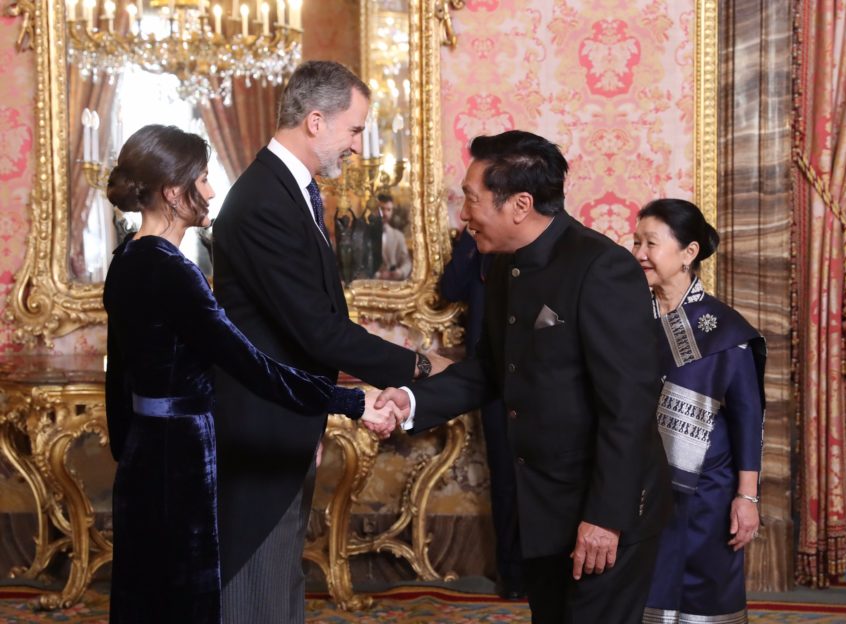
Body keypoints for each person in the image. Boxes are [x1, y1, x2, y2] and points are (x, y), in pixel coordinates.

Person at [103, 125, 397, 623]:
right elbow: (252, 366)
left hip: (143, 456)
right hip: (181, 457)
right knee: (185, 600)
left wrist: (129, 452)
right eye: (202, 178)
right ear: (173, 192)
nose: (212, 189)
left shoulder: (127, 257)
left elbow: (118, 379)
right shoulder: (174, 271)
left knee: (147, 595)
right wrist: (351, 401)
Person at [378, 130, 672, 623]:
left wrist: (605, 517)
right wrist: (413, 401)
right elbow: (490, 370)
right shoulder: (504, 267)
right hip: (542, 508)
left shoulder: (602, 268)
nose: (464, 214)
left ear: (519, 205)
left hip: (603, 509)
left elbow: (630, 408)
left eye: (472, 199)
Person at [211, 60, 449, 624]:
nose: (358, 146)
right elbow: (317, 330)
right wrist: (419, 365)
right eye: (355, 129)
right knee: (257, 588)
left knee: (279, 581)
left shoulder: (289, 191)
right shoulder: (264, 200)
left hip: (285, 419)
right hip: (262, 426)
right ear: (316, 121)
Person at [631, 199, 766, 624]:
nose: (639, 253)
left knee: (704, 599)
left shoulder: (725, 330)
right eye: (636, 242)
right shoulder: (625, 320)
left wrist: (746, 497)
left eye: (651, 243)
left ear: (688, 252)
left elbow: (748, 420)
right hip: (635, 486)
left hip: (707, 492)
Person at [439, 228, 524, 599]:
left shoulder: (535, 241)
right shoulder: (478, 240)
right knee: (504, 476)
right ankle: (512, 574)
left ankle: (544, 572)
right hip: (492, 378)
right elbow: (451, 289)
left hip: (539, 378)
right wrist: (471, 240)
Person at [375, 192, 411, 280]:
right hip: (371, 283)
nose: (385, 213)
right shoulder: (365, 233)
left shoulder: (398, 236)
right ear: (375, 210)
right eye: (382, 209)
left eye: (389, 210)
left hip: (394, 283)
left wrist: (401, 272)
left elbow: (407, 262)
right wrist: (378, 275)